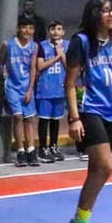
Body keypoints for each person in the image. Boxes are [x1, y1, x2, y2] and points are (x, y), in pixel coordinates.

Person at [63, 0, 112, 223]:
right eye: (104, 11)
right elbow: (70, 83)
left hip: (109, 111)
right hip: (88, 109)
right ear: (94, 14)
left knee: (96, 170)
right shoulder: (80, 42)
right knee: (105, 166)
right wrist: (74, 117)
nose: (111, 14)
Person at [3, 17, 40, 168]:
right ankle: (20, 150)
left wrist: (30, 89)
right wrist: (3, 74)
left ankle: (31, 150)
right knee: (17, 117)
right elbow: (0, 62)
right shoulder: (8, 45)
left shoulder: (34, 46)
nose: (27, 31)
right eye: (24, 27)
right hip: (12, 85)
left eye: (30, 28)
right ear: (19, 28)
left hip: (26, 87)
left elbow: (33, 69)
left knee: (28, 119)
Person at [37, 20, 70, 160]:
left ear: (63, 32)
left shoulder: (68, 45)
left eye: (59, 29)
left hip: (60, 88)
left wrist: (62, 54)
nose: (55, 32)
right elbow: (40, 66)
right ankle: (42, 148)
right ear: (49, 31)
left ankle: (53, 145)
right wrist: (57, 56)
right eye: (52, 29)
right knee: (44, 119)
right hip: (45, 88)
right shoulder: (42, 46)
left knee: (56, 120)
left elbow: (70, 67)